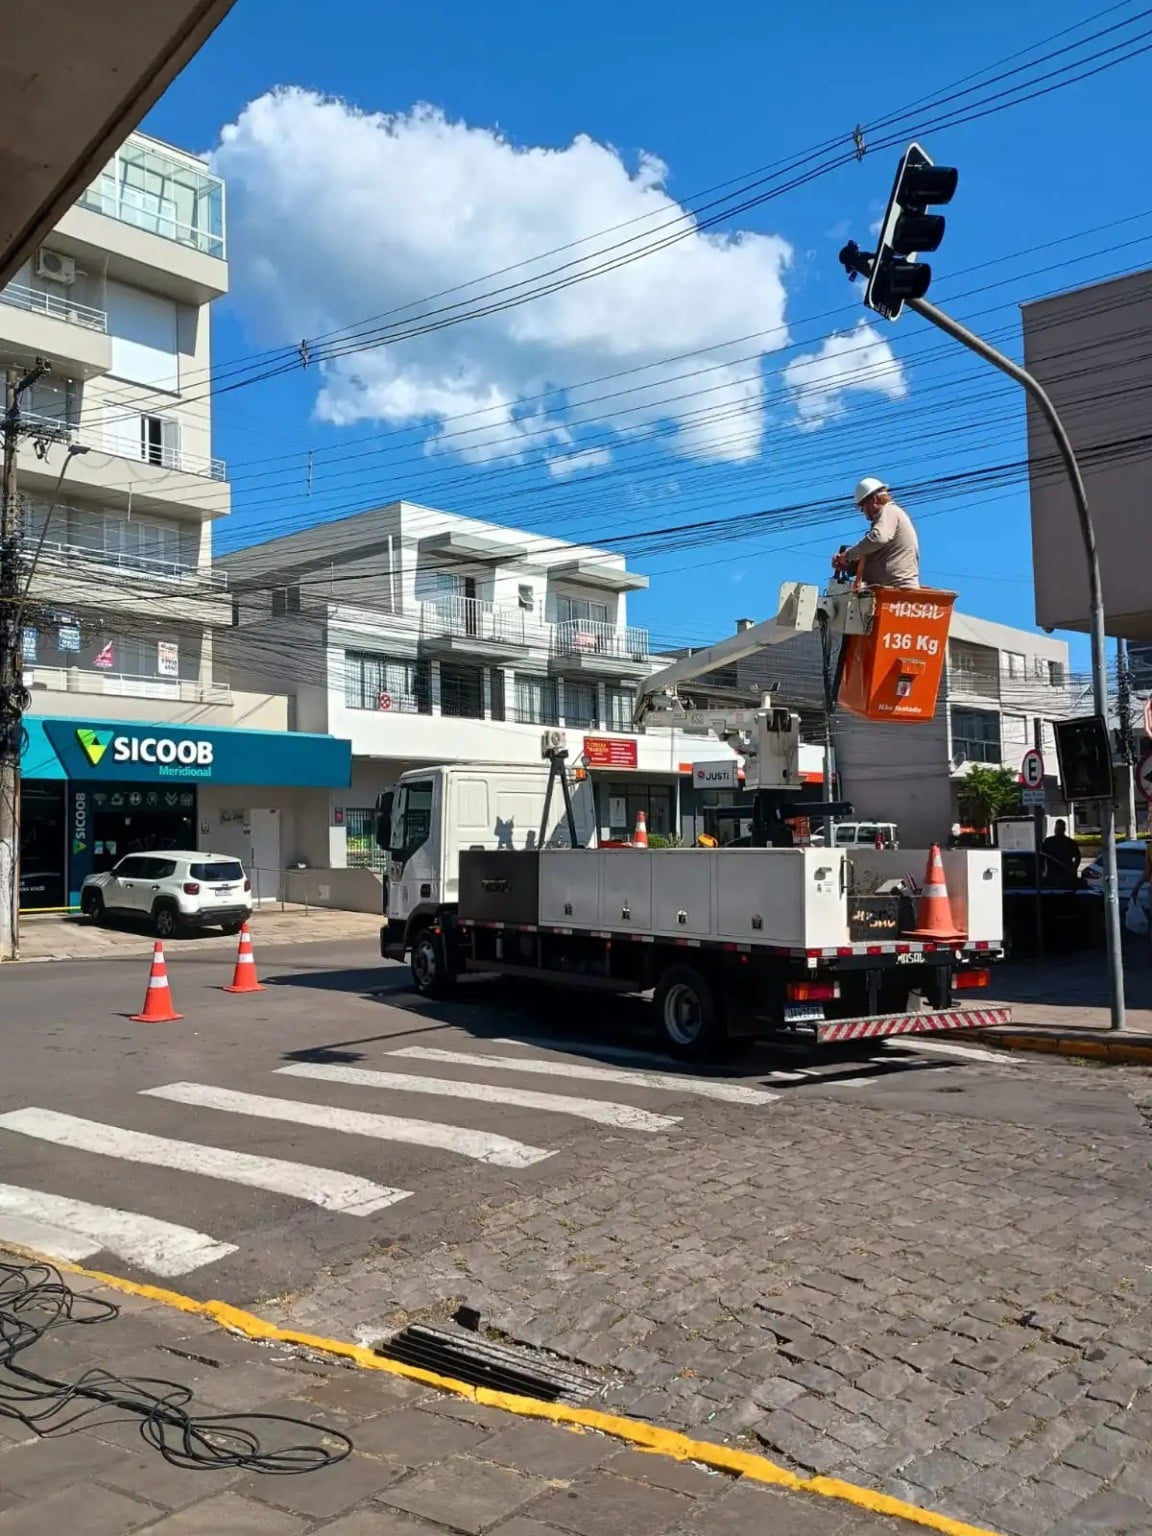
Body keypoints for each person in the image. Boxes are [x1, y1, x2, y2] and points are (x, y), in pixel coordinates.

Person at [833, 477, 920, 589]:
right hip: (893, 587)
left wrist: (848, 555)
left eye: (862, 506)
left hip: (894, 589)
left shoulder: (888, 511)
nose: (862, 511)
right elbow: (877, 555)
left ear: (873, 500)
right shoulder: (890, 518)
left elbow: (878, 538)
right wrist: (848, 565)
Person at [1041, 819, 1081, 886]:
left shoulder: (1070, 842)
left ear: (1064, 829)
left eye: (1059, 828)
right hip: (1054, 874)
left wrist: (1073, 869)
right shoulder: (1049, 842)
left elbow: (1078, 857)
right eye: (1057, 828)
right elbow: (1042, 857)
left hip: (1063, 874)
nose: (1057, 830)